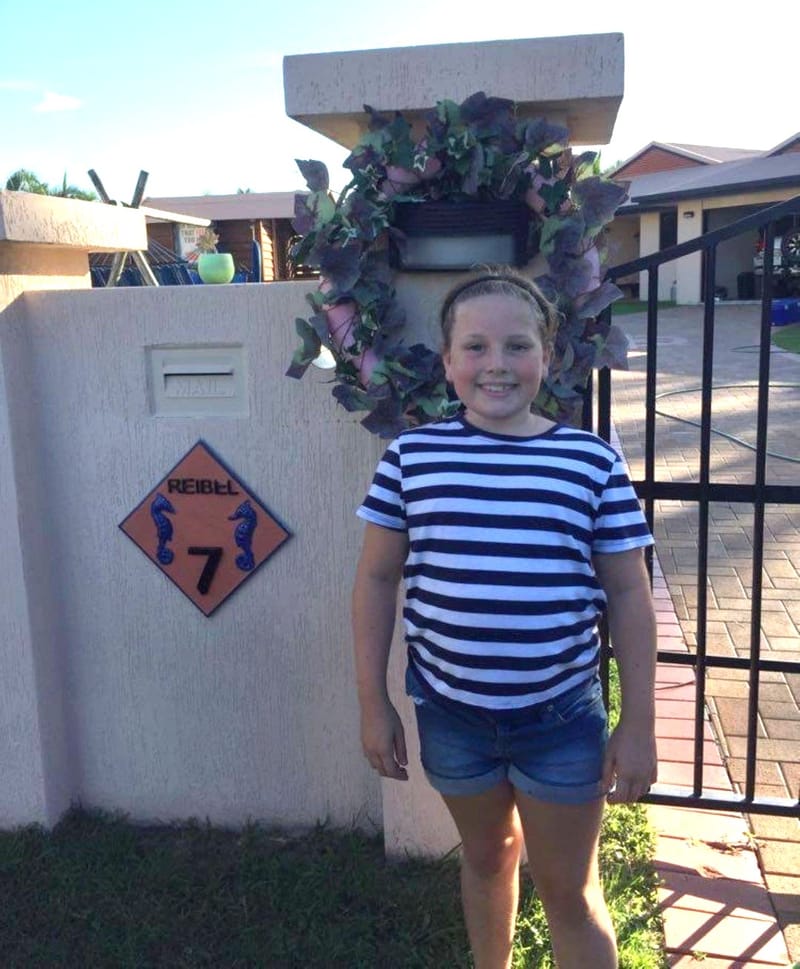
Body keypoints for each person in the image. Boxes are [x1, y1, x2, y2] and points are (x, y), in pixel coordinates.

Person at [352, 269, 658, 969]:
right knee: (488, 860)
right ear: (449, 360)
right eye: (477, 346)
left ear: (546, 357)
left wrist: (637, 721)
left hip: (560, 720)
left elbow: (630, 595)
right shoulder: (412, 458)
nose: (497, 364)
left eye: (517, 346)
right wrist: (374, 702)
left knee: (569, 891)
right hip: (453, 717)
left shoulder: (589, 460)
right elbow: (374, 579)